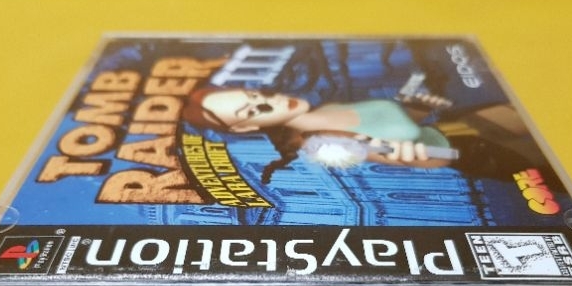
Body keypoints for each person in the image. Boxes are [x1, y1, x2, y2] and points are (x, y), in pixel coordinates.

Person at [182, 88, 457, 183]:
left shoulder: (329, 107)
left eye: (257, 95)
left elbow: (404, 126)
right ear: (245, 129)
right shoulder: (322, 145)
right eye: (253, 110)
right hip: (464, 152)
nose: (271, 101)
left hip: (457, 128)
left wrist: (420, 108)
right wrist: (416, 158)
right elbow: (425, 161)